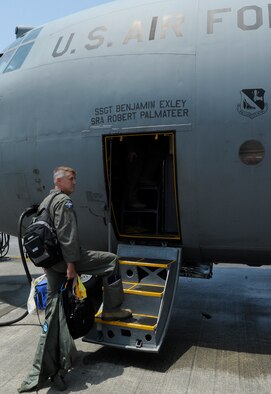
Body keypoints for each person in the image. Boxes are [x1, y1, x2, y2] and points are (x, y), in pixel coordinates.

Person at [42, 166, 132, 321]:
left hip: (51, 260)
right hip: (64, 259)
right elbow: (67, 234)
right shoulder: (64, 201)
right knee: (111, 261)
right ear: (58, 180)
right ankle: (112, 309)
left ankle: (50, 333)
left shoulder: (46, 200)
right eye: (71, 179)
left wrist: (45, 262)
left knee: (53, 298)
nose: (75, 183)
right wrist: (71, 265)